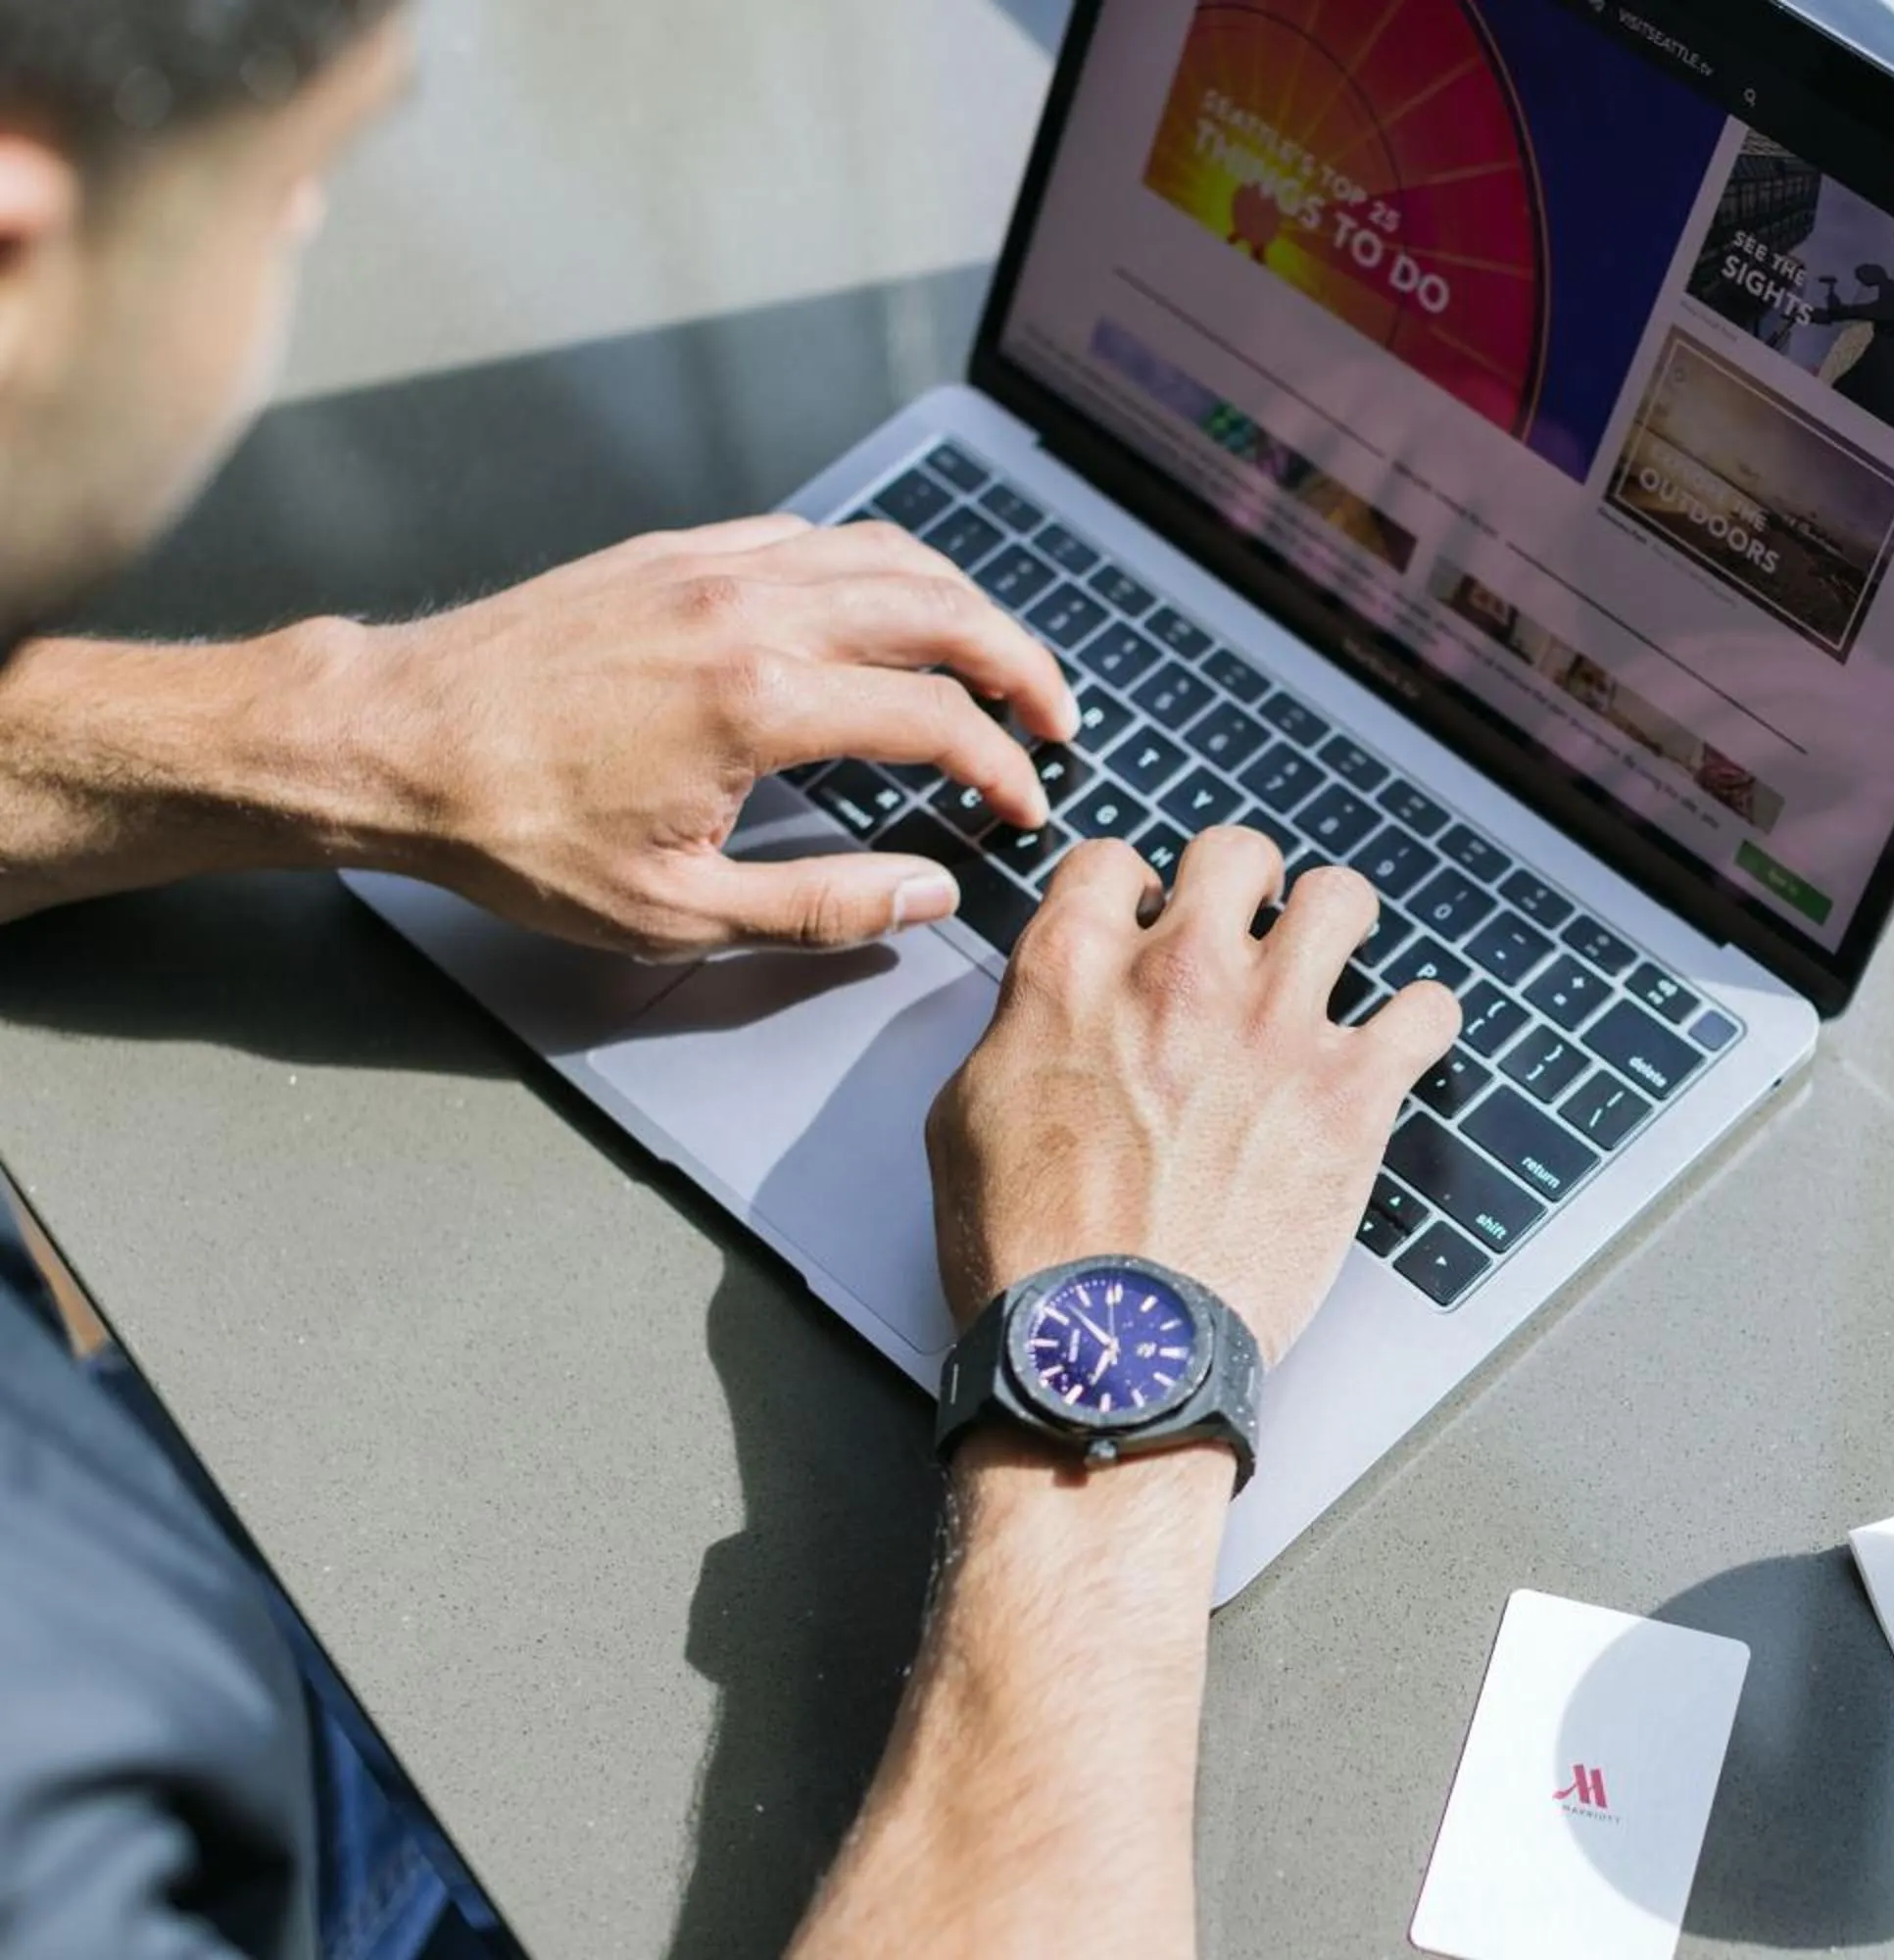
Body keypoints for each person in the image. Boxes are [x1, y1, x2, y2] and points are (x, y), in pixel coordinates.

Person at [0, 4, 1455, 1955]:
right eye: (294, 190)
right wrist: (1116, 1360)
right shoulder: (54, 1770)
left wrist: (350, 727)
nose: (313, 235)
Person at [1818, 260, 1894, 440]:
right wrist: (1836, 311)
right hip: (1881, 354)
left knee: (1889, 415)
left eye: (1863, 276)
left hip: (1891, 358)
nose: (1862, 280)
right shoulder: (1889, 291)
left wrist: (1844, 311)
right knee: (1846, 392)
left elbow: (1885, 312)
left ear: (1875, 273)